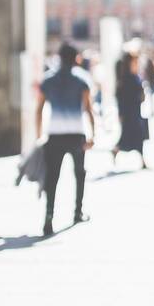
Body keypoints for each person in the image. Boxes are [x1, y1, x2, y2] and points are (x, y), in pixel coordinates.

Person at [33, 42, 95, 238]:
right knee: (80, 174)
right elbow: (88, 108)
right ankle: (77, 212)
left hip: (55, 135)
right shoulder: (82, 80)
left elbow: (39, 109)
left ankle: (48, 219)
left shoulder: (48, 80)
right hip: (76, 134)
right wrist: (93, 134)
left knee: (52, 178)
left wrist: (39, 135)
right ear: (76, 58)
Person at [113, 52, 150, 169]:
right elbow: (120, 97)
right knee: (129, 136)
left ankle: (141, 160)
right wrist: (120, 113)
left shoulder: (135, 76)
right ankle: (117, 149)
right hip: (129, 112)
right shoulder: (125, 79)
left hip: (136, 110)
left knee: (137, 136)